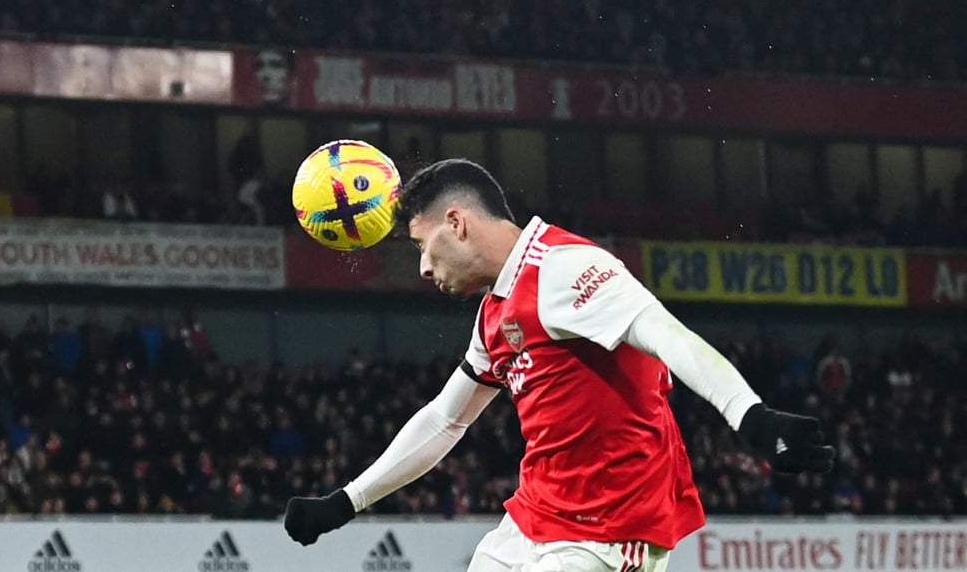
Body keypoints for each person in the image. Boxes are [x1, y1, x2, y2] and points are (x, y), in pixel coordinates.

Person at [284, 159, 834, 571]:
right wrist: (345, 502)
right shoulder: (494, 311)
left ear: (457, 223)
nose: (424, 268)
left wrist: (751, 416)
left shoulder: (566, 268)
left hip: (611, 529)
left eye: (422, 246)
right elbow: (445, 419)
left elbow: (667, 335)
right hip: (534, 520)